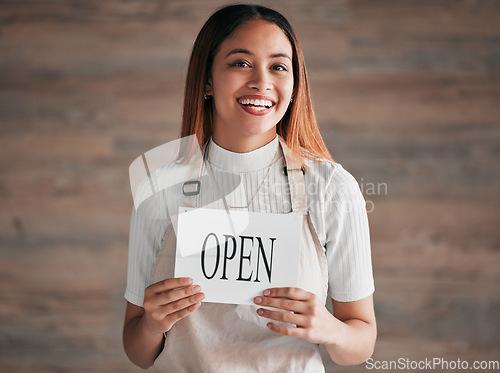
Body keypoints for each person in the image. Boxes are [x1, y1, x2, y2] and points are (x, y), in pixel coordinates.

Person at [123, 4, 376, 372]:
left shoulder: (331, 188)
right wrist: (151, 324)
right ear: (207, 80)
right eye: (241, 63)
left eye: (278, 66)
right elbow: (137, 351)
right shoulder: (159, 189)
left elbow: (361, 342)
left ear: (294, 85)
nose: (262, 81)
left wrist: (328, 329)